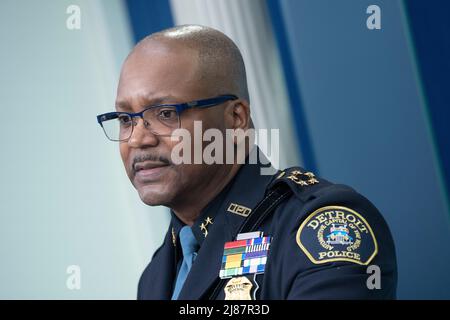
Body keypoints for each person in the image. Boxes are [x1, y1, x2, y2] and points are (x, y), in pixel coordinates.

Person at [96, 25, 397, 300]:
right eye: (125, 119)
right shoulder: (155, 277)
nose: (137, 139)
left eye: (164, 113)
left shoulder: (320, 227)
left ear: (235, 118)